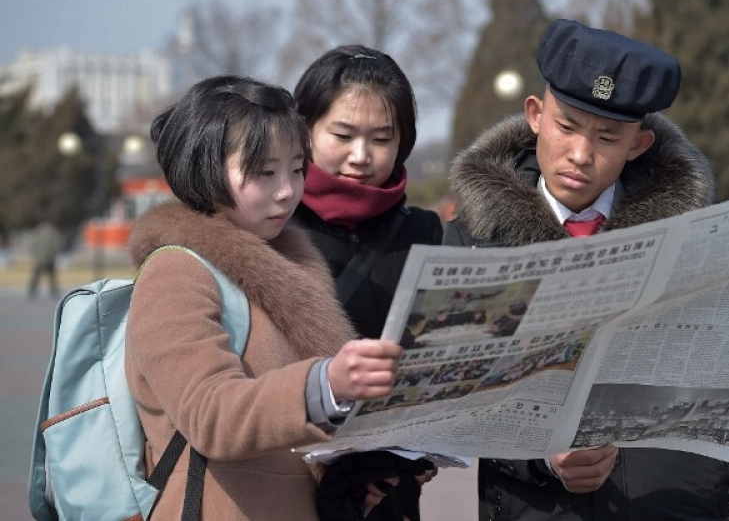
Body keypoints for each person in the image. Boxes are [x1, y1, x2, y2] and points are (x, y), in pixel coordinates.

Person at [443, 19, 729, 521]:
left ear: (638, 145)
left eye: (608, 137)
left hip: (679, 502)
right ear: (535, 115)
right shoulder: (473, 243)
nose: (580, 155)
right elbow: (457, 400)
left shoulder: (704, 235)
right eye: (566, 126)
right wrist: (543, 459)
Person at [124, 75, 404, 520]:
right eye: (263, 172)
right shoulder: (175, 272)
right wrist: (326, 382)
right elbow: (211, 416)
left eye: (296, 169)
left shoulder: (288, 264)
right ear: (204, 167)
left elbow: (289, 431)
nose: (287, 190)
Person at [291, 45, 444, 520]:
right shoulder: (272, 228)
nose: (361, 156)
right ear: (305, 132)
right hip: (283, 491)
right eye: (342, 134)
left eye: (381, 138)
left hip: (390, 495)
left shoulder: (426, 234)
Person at [27, 220, 61, 299]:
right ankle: (53, 291)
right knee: (50, 277)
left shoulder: (38, 234)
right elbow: (56, 247)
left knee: (41, 276)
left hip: (42, 259)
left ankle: (33, 290)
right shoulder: (52, 234)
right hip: (47, 259)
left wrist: (35, 255)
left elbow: (32, 246)